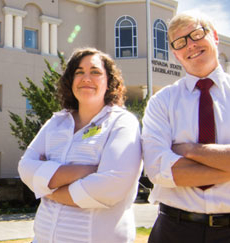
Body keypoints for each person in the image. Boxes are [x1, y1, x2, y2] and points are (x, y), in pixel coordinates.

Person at [141, 13, 230, 243]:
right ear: (176, 54)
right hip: (174, 231)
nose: (191, 44)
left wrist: (190, 150)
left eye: (197, 34)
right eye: (180, 42)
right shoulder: (162, 102)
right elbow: (159, 170)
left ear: (214, 36)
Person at [18, 47, 142, 243]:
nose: (86, 78)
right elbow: (25, 168)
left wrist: (49, 189)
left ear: (109, 81)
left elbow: (112, 186)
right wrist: (84, 170)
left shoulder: (122, 123)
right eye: (79, 72)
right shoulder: (56, 122)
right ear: (70, 81)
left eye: (95, 72)